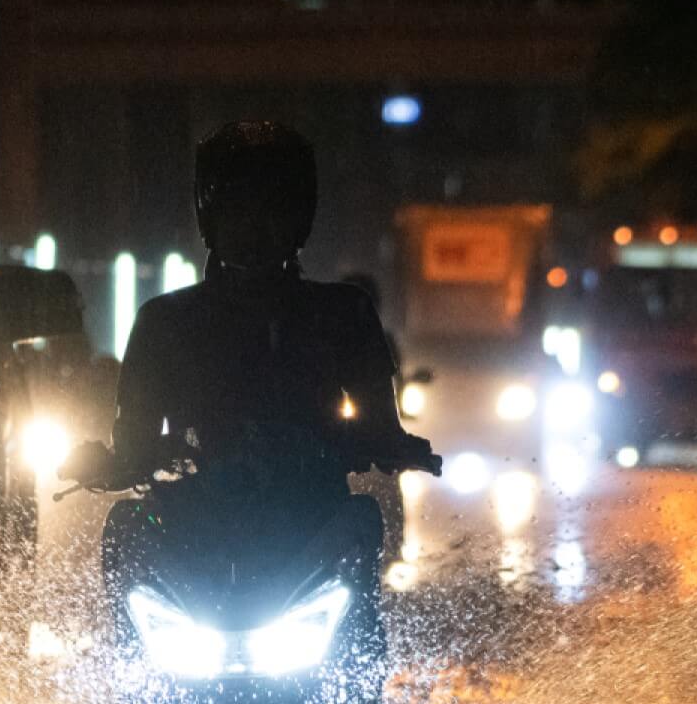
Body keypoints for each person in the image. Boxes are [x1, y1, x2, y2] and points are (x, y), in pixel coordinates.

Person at [65, 120, 437, 490]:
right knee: (127, 530)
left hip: (315, 517)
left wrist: (394, 447)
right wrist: (109, 464)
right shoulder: (161, 320)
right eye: (239, 210)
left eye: (273, 210)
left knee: (366, 522)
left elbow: (381, 426)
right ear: (212, 217)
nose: (257, 227)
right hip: (195, 520)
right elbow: (133, 442)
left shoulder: (345, 312)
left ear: (299, 219)